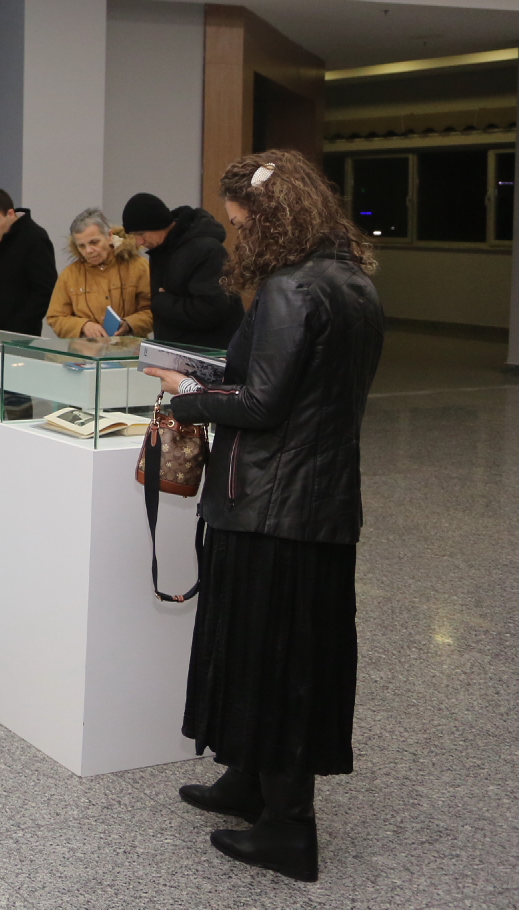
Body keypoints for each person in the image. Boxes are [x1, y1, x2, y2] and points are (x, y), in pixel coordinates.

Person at [141, 150, 383, 883]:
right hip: (320, 502)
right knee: (283, 654)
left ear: (273, 219)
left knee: (270, 660)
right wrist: (208, 378)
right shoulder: (353, 282)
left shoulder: (289, 288)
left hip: (270, 505)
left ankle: (287, 828)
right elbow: (292, 385)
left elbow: (262, 402)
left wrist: (184, 397)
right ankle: (248, 781)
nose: (240, 237)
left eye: (244, 224)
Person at [0, 188, 57, 478]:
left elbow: (45, 289)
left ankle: (19, 459)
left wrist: (17, 329)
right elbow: (2, 277)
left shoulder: (35, 238)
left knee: (15, 400)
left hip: (19, 337)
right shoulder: (0, 236)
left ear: (10, 213)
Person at [121, 192, 244, 349]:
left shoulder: (206, 250)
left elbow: (212, 310)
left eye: (141, 234)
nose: (139, 242)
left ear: (158, 224)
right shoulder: (160, 251)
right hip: (177, 353)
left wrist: (162, 302)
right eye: (134, 235)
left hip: (209, 354)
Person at [46, 208, 153, 340]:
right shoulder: (70, 275)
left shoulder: (138, 266)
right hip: (86, 350)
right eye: (81, 246)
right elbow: (55, 318)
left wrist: (130, 323)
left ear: (109, 236)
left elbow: (155, 310)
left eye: (94, 242)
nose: (88, 250)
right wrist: (83, 326)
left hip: (131, 348)